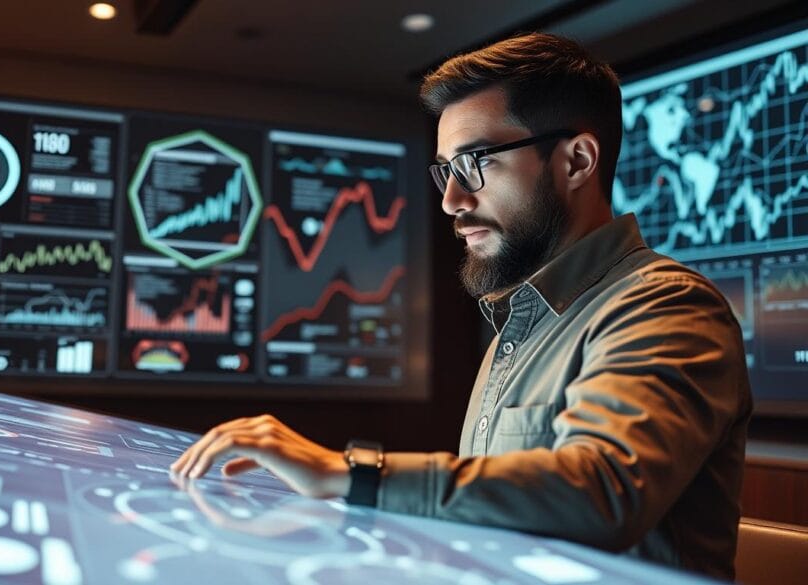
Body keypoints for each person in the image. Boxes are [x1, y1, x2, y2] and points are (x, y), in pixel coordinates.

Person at [171, 32, 751, 580]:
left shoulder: (665, 305)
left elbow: (601, 491)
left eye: (476, 163)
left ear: (576, 161)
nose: (451, 199)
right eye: (446, 170)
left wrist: (347, 475)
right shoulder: (516, 324)